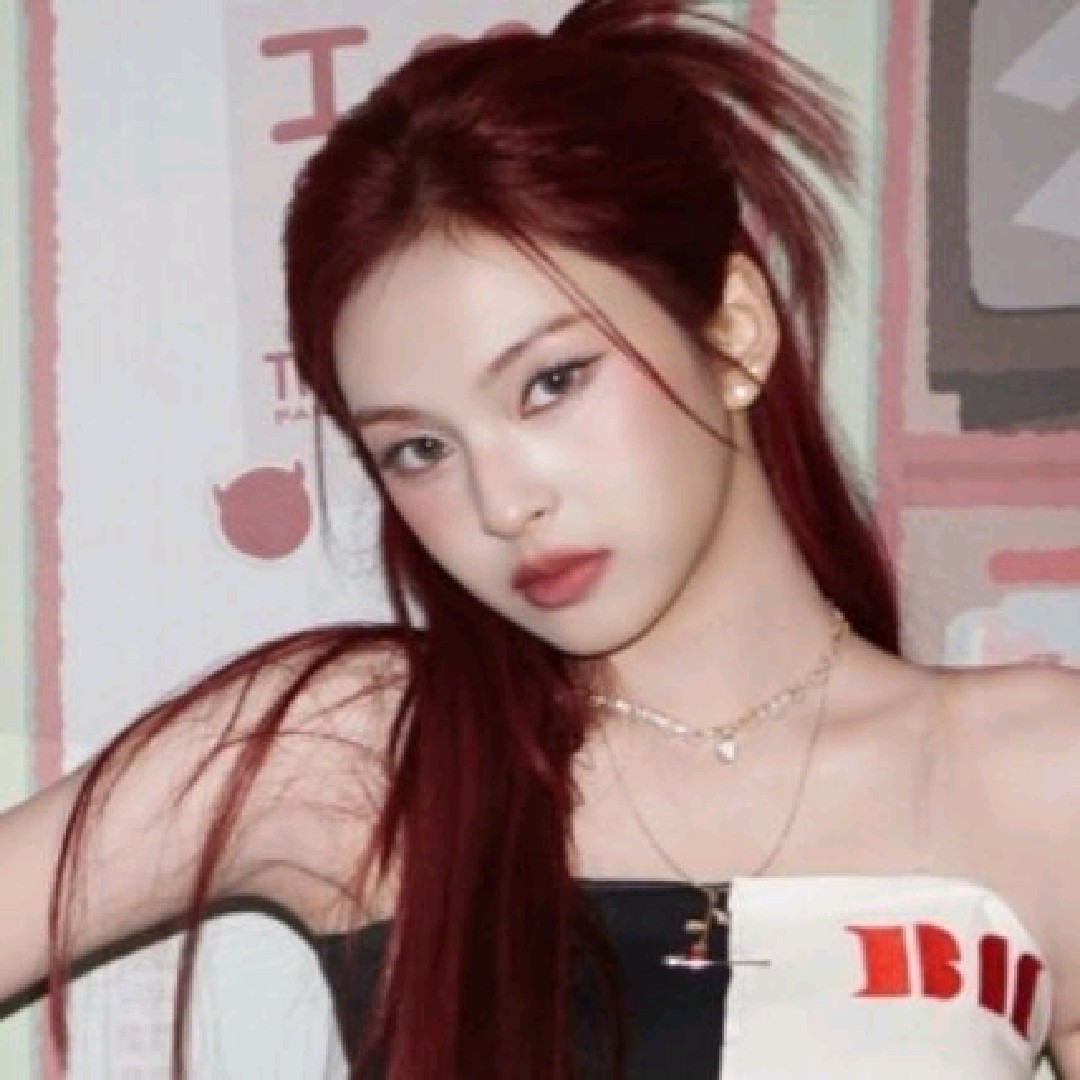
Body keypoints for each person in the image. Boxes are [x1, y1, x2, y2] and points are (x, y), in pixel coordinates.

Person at [2, 0, 1078, 1077]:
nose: (502, 503)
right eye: (420, 448)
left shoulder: (1033, 775)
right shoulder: (362, 758)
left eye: (551, 383)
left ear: (734, 332)